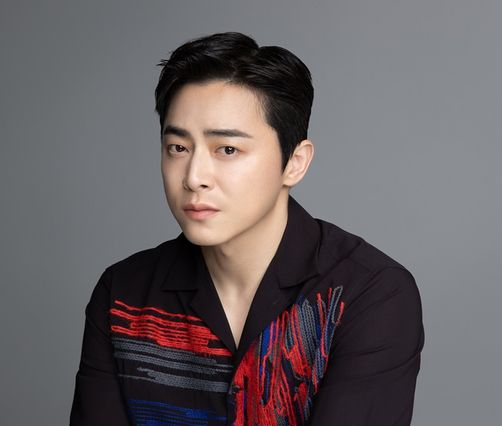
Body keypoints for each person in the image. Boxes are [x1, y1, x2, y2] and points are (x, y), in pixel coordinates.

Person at [70, 31, 424, 426]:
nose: (194, 177)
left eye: (228, 149)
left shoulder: (367, 294)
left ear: (295, 163)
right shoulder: (123, 294)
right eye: (178, 148)